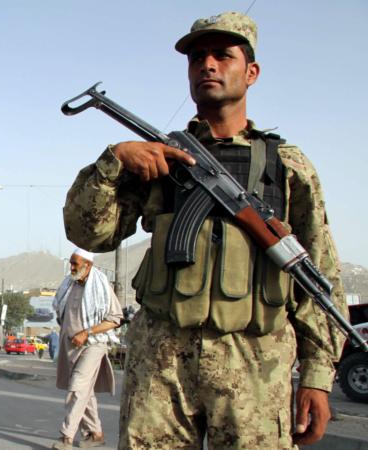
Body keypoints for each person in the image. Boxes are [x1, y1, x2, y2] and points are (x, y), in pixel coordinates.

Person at [63, 11, 348, 449]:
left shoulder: (287, 167)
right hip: (160, 366)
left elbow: (318, 277)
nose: (208, 65)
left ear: (251, 72)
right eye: (197, 58)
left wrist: (317, 376)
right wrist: (115, 159)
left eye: (222, 55)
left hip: (256, 367)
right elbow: (88, 235)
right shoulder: (158, 159)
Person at [50, 248, 123, 450]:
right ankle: (96, 434)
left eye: (75, 263)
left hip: (93, 344)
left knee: (77, 388)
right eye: (71, 263)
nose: (71, 267)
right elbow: (60, 311)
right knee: (85, 392)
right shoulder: (68, 284)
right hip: (70, 346)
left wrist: (87, 332)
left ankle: (66, 437)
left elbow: (115, 319)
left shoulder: (101, 285)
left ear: (88, 265)